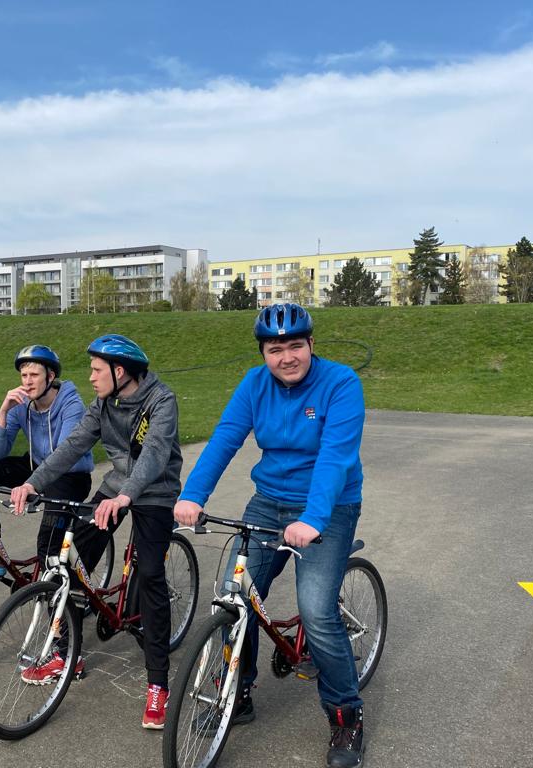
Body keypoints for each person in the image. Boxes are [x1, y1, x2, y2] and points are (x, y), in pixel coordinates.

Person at [174, 303, 367, 768]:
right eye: (275, 349)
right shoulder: (254, 384)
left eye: (295, 346)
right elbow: (225, 439)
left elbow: (335, 457)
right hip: (268, 502)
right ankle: (236, 696)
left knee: (316, 611)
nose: (287, 357)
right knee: (232, 597)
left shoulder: (341, 383)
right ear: (263, 353)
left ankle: (346, 716)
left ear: (311, 345)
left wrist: (314, 518)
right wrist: (192, 495)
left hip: (329, 507)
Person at [11, 334, 182, 730]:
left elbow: (155, 454)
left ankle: (158, 684)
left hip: (155, 492)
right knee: (70, 560)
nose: (90, 377)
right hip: (116, 486)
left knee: (151, 575)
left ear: (119, 371)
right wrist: (33, 483)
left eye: (96, 370)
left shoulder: (162, 401)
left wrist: (125, 497)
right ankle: (65, 654)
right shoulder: (104, 403)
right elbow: (72, 446)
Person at [0, 345, 93, 576]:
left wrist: (30, 485)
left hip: (70, 474)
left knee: (47, 542)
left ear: (50, 376)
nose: (27, 381)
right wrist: (3, 413)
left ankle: (51, 586)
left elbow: (62, 456)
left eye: (34, 375)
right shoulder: (22, 405)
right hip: (35, 466)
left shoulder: (71, 405)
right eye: (24, 375)